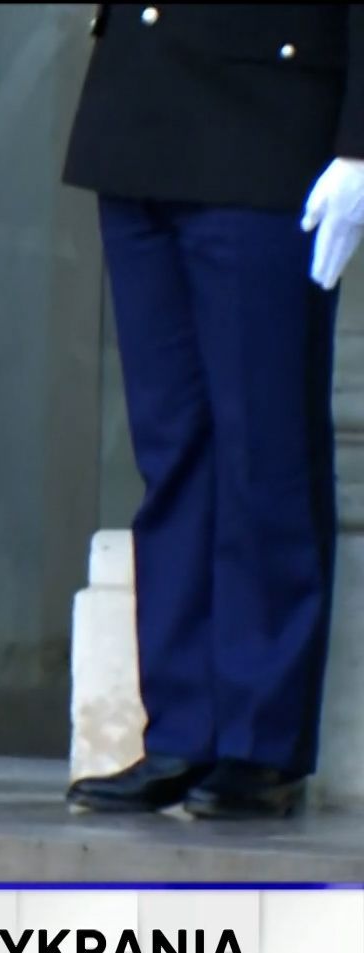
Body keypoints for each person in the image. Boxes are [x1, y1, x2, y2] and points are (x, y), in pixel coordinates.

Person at [62, 5, 364, 819]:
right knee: (173, 451)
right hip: (142, 111)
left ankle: (262, 741)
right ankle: (182, 728)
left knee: (266, 448)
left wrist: (359, 144)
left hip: (268, 121)